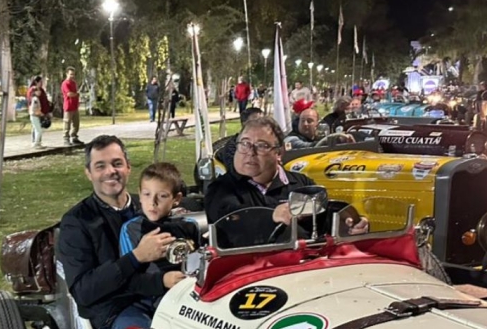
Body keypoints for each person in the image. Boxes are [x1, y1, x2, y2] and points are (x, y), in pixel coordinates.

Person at [57, 136, 185, 329]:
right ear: (88, 173)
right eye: (100, 166)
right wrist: (136, 257)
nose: (110, 171)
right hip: (114, 308)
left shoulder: (149, 203)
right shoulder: (76, 222)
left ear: (128, 168)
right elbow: (83, 291)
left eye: (117, 164)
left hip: (161, 294)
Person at [204, 117, 370, 235]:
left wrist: (350, 223)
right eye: (245, 144)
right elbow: (231, 222)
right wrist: (273, 216)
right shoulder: (222, 188)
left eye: (261, 146)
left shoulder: (301, 184)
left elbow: (322, 220)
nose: (250, 153)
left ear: (279, 153)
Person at [119, 163, 199, 286]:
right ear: (140, 195)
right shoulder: (131, 229)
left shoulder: (188, 224)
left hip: (189, 288)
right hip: (152, 297)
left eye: (162, 196)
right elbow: (128, 276)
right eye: (147, 194)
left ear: (176, 199)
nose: (153, 202)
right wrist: (162, 281)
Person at [212, 107, 265, 178]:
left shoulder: (266, 143)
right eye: (256, 121)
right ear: (244, 124)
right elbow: (237, 172)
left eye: (263, 121)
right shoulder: (232, 146)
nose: (261, 125)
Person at [61, 67, 83, 146]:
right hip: (68, 106)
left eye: (73, 74)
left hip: (75, 106)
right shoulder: (65, 83)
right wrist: (77, 94)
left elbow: (76, 92)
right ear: (67, 74)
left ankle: (74, 137)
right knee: (67, 122)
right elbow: (69, 94)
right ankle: (66, 138)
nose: (72, 76)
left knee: (76, 123)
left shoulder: (74, 83)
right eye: (70, 74)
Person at [28, 76, 51, 149]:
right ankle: (36, 142)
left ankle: (38, 142)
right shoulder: (33, 94)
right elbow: (34, 107)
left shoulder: (41, 91)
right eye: (40, 82)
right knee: (38, 129)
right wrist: (40, 113)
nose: (41, 83)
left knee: (38, 128)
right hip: (36, 114)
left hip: (40, 113)